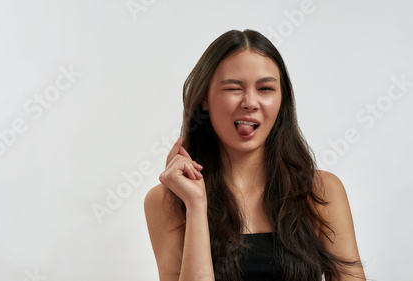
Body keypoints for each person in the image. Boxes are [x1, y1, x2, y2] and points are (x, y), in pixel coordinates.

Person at [144, 29, 366, 281]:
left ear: (282, 99)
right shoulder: (167, 202)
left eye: (265, 88)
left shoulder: (321, 191)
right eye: (234, 88)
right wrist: (195, 207)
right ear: (204, 98)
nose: (250, 102)